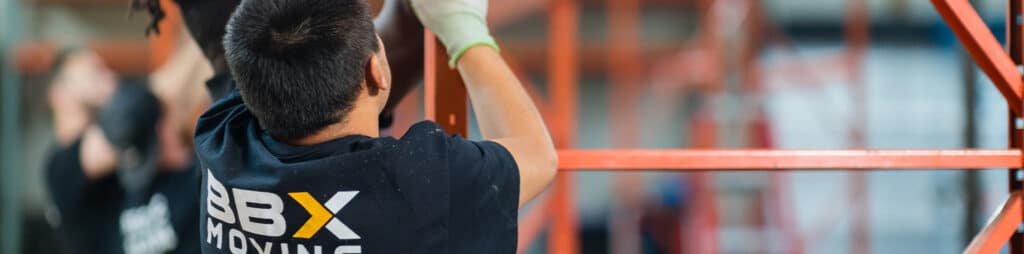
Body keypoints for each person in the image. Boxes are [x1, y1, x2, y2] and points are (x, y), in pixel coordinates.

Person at [193, 0, 557, 253]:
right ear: (375, 71)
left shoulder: (221, 140)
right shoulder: (418, 186)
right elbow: (537, 155)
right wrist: (466, 32)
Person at [44, 46, 207, 254]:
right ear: (58, 94)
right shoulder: (60, 167)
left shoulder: (126, 156)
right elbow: (132, 117)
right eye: (94, 72)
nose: (108, 78)